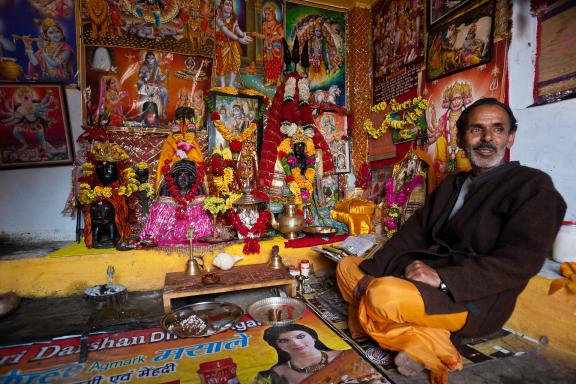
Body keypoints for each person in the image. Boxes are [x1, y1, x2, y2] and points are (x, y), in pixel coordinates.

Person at [336, 98, 566, 384]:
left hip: (475, 296)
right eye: (476, 129)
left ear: (510, 137)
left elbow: (520, 261)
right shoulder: (455, 183)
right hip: (429, 274)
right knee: (348, 268)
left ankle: (430, 347)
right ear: (461, 137)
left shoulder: (532, 185)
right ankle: (423, 337)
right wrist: (375, 272)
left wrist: (442, 279)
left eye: (497, 129)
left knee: (383, 296)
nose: (487, 138)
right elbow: (413, 233)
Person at [253, 323, 343, 384]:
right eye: (284, 340)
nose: (296, 343)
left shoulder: (346, 355)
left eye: (300, 336)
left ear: (313, 337)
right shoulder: (271, 375)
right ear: (277, 346)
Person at [428, 81, 473, 186]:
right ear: (449, 101)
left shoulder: (468, 116)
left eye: (459, 98)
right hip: (447, 154)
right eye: (453, 99)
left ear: (463, 100)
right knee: (440, 140)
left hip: (462, 151)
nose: (456, 102)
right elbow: (435, 132)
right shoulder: (443, 118)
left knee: (465, 168)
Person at [215, 0, 253, 87]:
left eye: (231, 5)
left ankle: (231, 84)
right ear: (222, 5)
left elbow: (237, 29)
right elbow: (226, 31)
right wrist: (239, 39)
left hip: (232, 44)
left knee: (236, 62)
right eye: (227, 4)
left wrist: (244, 35)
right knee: (223, 65)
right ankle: (223, 85)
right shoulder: (218, 18)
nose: (229, 7)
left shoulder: (233, 18)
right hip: (222, 44)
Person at [23, 18, 74, 82]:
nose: (55, 35)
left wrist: (42, 49)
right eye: (51, 33)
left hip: (60, 79)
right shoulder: (46, 47)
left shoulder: (66, 48)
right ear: (46, 35)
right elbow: (35, 62)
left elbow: (54, 64)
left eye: (57, 32)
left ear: (62, 33)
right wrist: (28, 46)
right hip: (45, 78)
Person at [250, 1, 283, 86]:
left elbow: (282, 35)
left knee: (276, 63)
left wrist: (274, 38)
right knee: (268, 63)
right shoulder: (264, 24)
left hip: (276, 48)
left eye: (269, 14)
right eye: (266, 14)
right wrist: (256, 34)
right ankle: (270, 79)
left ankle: (277, 79)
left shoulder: (278, 25)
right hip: (267, 47)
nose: (267, 16)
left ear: (273, 14)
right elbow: (264, 36)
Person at [137, 51, 169, 118]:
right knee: (139, 83)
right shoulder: (144, 66)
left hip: (155, 85)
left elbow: (160, 78)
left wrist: (166, 75)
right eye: (148, 58)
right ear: (146, 58)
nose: (150, 60)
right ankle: (141, 112)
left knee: (165, 92)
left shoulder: (157, 67)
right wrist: (144, 74)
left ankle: (163, 110)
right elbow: (139, 75)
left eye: (152, 58)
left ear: (155, 58)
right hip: (146, 85)